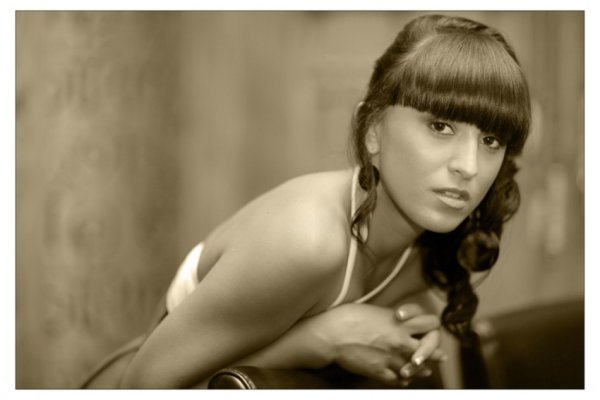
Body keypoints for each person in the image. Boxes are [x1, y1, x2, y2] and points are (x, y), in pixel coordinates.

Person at [82, 13, 531, 389]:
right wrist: (321, 340)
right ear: (373, 131)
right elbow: (142, 386)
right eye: (440, 127)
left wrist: (411, 334)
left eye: (490, 140)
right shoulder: (305, 239)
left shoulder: (431, 237)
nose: (469, 166)